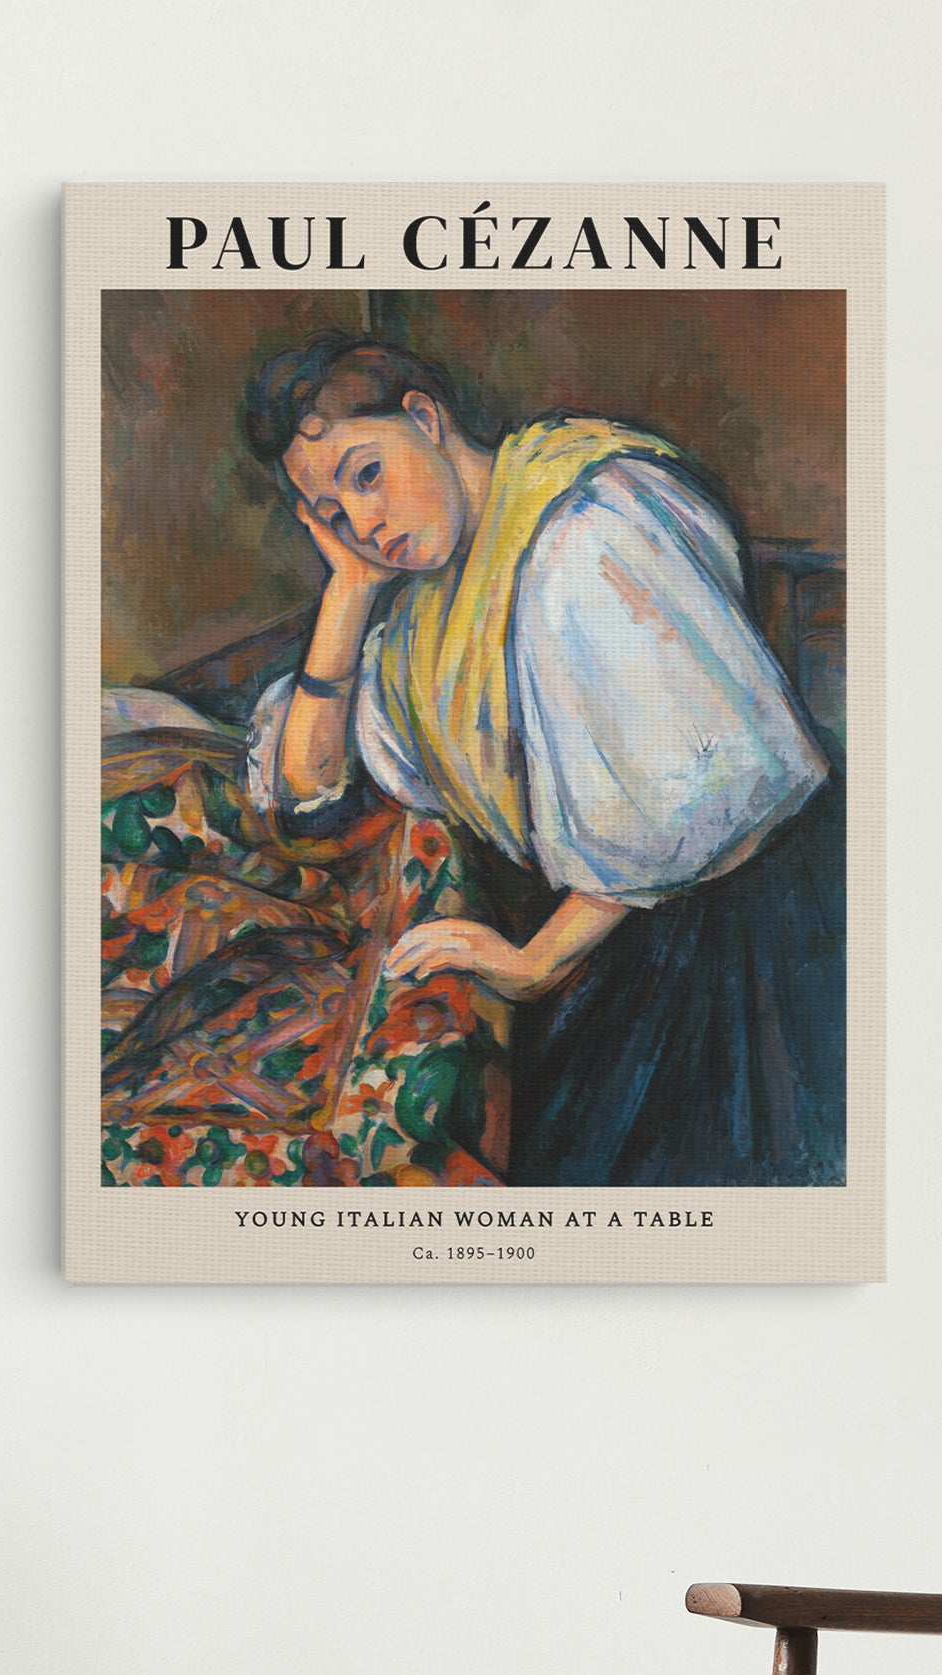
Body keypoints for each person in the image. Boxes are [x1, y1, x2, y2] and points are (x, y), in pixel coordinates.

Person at [238, 332, 845, 1186]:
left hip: (745, 935)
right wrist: (348, 592)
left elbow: (695, 807)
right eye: (334, 515)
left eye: (367, 474)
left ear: (425, 418)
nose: (364, 524)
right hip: (616, 927)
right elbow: (306, 794)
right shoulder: (423, 614)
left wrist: (531, 964)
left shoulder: (587, 533)